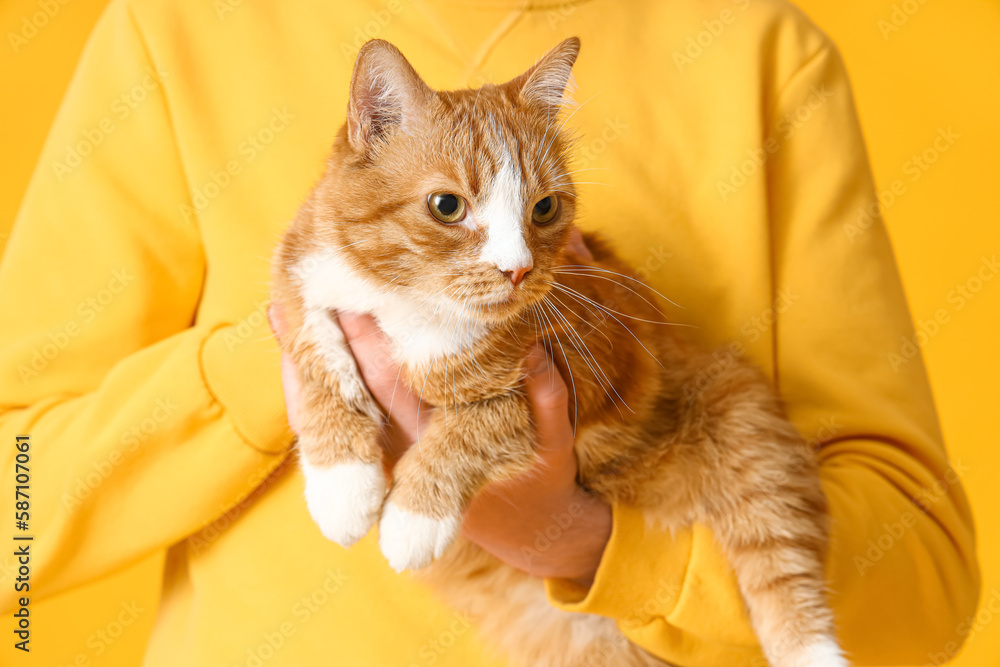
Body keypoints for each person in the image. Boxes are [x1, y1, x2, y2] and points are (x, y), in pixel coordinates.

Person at [0, 0, 978, 665]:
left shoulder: (754, 46)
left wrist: (585, 544)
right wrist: (311, 354)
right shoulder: (174, 30)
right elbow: (15, 525)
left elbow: (925, 584)